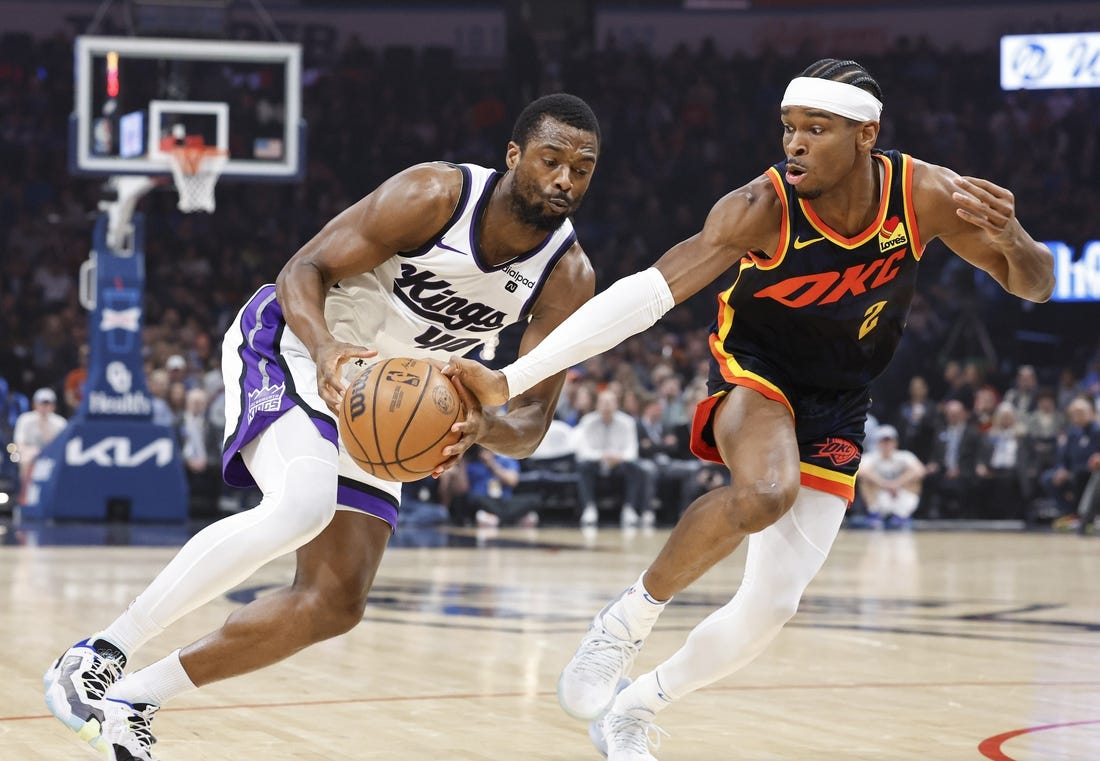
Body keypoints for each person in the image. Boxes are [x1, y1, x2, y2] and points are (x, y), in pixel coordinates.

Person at [444, 59, 1054, 760]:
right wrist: (512, 376)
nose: (793, 143)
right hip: (756, 369)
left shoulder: (926, 195)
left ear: (866, 135)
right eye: (788, 127)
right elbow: (647, 294)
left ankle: (634, 708)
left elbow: (1033, 284)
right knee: (766, 490)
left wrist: (1012, 237)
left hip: (842, 395)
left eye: (814, 130)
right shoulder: (758, 208)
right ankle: (624, 623)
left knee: (773, 605)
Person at [43, 93, 602, 761]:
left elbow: (532, 421)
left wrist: (480, 425)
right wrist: (329, 346)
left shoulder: (567, 276)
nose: (565, 179)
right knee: (302, 502)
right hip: (302, 344)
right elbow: (300, 270)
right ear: (514, 156)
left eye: (582, 168)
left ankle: (132, 698)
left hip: (390, 401)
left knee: (334, 600)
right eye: (551, 160)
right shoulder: (434, 195)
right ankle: (97, 654)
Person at [573, 389, 651, 527]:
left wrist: (618, 457)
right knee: (583, 466)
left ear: (617, 405)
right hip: (596, 464)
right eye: (603, 402)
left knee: (635, 467)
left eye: (610, 402)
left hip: (619, 464)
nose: (607, 406)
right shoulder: (587, 421)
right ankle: (589, 509)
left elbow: (632, 452)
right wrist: (601, 456)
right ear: (597, 404)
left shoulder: (628, 422)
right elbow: (582, 452)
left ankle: (629, 509)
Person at [856, 424, 926, 529]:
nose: (886, 444)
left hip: (900, 494)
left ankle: (901, 514)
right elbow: (861, 472)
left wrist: (897, 483)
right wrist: (884, 484)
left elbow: (920, 471)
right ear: (877, 443)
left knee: (915, 477)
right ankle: (875, 513)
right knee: (864, 479)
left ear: (895, 442)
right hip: (879, 496)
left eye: (889, 441)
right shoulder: (871, 457)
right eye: (883, 441)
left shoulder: (904, 456)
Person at [13, 387, 67, 495]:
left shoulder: (60, 422)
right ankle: (25, 494)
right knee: (25, 457)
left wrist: (44, 425)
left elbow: (61, 446)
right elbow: (19, 443)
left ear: (53, 406)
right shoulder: (25, 419)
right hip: (30, 454)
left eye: (48, 404)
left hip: (53, 455)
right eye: (42, 403)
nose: (44, 407)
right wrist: (34, 452)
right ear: (35, 404)